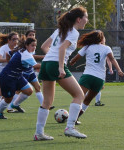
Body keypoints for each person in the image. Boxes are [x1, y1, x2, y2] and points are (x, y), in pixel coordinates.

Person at [34, 6, 89, 141]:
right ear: (78, 19)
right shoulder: (74, 32)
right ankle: (70, 127)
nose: (87, 20)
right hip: (54, 65)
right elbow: (63, 48)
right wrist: (60, 66)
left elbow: (44, 46)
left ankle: (39, 133)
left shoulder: (59, 30)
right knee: (79, 95)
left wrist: (53, 57)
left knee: (47, 102)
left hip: (46, 64)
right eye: (86, 17)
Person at [70, 30, 124, 125]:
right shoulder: (106, 48)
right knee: (87, 100)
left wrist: (72, 61)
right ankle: (76, 118)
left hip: (88, 76)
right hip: (99, 79)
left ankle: (70, 118)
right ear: (101, 39)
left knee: (79, 97)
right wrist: (119, 70)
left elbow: (77, 57)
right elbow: (112, 59)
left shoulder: (87, 47)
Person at [7, 30, 54, 113]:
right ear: (26, 36)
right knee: (18, 90)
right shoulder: (22, 47)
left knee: (38, 87)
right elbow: (9, 54)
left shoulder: (32, 45)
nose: (32, 36)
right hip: (23, 73)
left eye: (33, 35)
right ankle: (10, 106)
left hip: (30, 71)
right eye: (30, 35)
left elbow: (32, 58)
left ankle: (45, 105)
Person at [0, 38, 38, 119]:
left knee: (29, 91)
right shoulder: (25, 54)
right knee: (8, 99)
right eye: (32, 45)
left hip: (18, 76)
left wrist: (10, 63)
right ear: (26, 45)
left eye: (35, 46)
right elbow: (36, 66)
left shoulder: (21, 50)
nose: (34, 47)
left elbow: (8, 54)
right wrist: (50, 64)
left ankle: (15, 104)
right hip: (8, 77)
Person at [0, 32, 19, 116]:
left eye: (17, 39)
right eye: (13, 39)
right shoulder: (4, 48)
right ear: (9, 40)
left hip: (6, 74)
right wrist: (8, 60)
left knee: (7, 94)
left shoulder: (17, 48)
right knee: (1, 91)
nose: (16, 41)